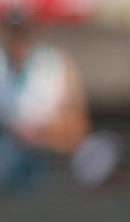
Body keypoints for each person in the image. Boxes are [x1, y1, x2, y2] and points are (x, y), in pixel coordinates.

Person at [0, 10, 89, 191]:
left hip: (48, 161)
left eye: (23, 31)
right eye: (14, 31)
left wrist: (41, 134)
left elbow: (78, 126)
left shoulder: (56, 63)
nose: (19, 39)